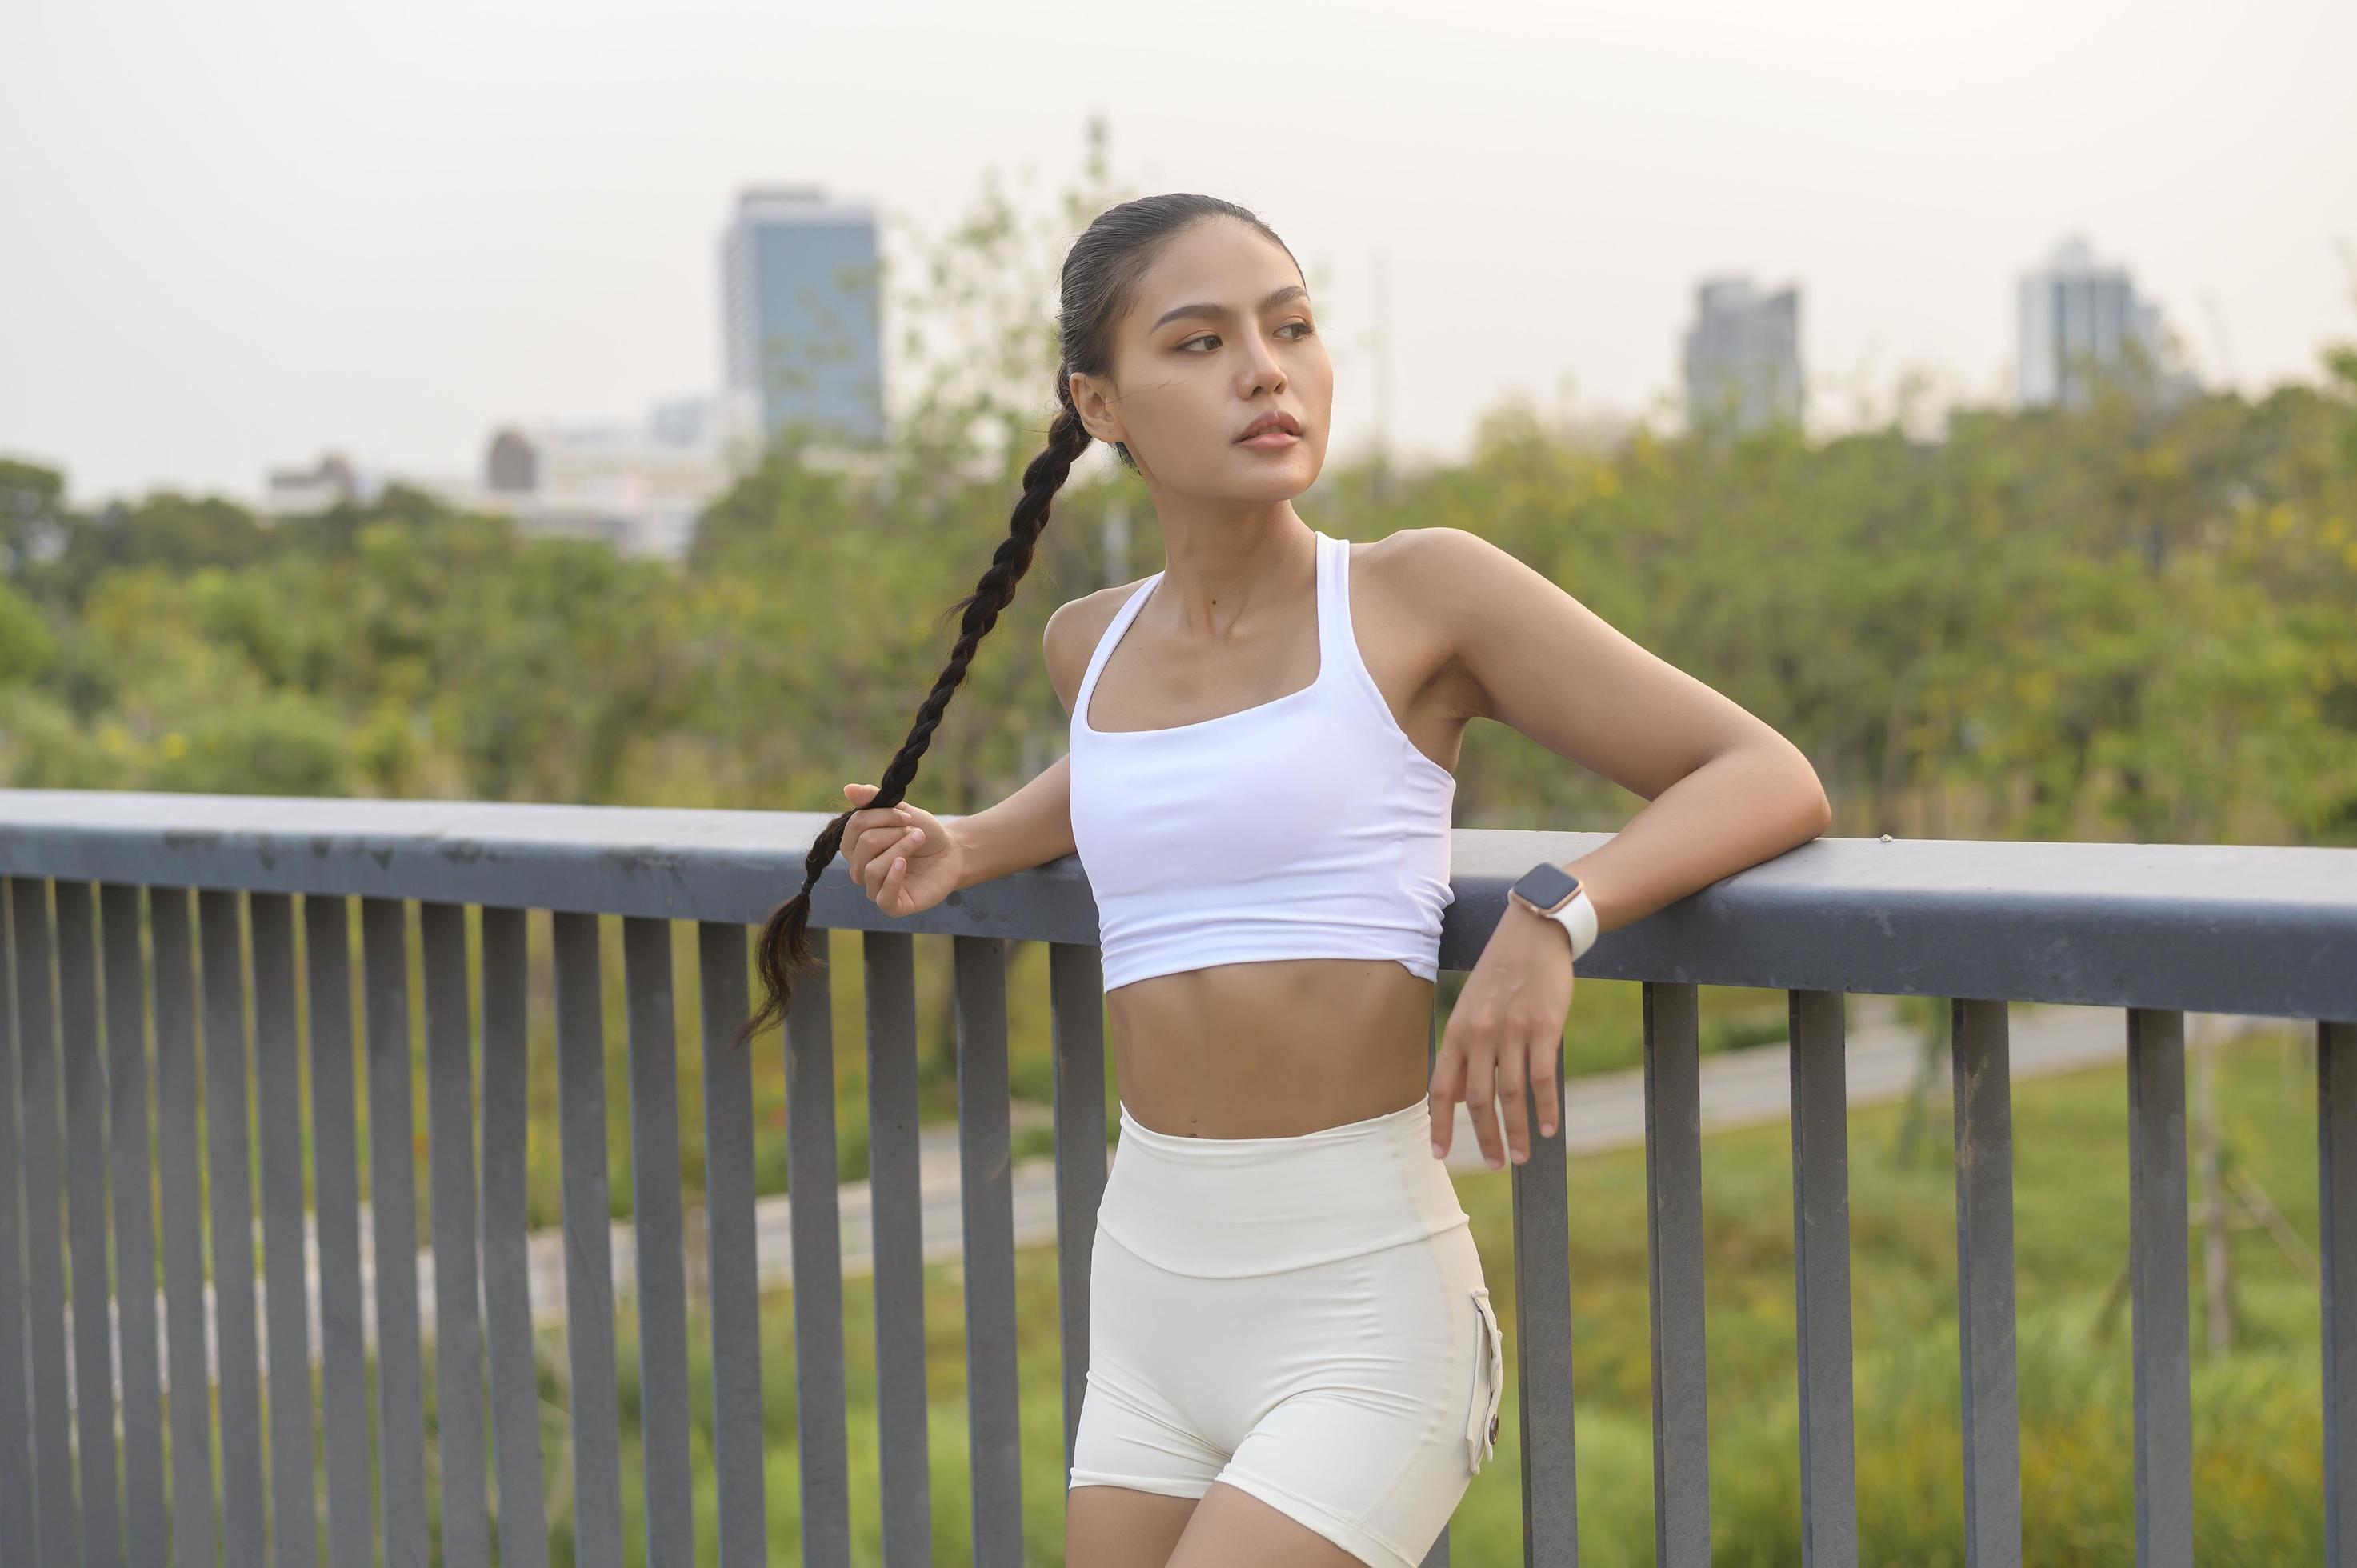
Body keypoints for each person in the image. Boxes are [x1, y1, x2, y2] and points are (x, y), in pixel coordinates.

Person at [741, 194, 1831, 1567]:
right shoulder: (1093, 644)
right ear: (1101, 403)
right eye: (1198, 343)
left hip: (1359, 1302)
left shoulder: (1420, 593)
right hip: (1147, 1285)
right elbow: (1155, 776)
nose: (1266, 369)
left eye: (1293, 327)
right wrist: (975, 842)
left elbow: (1762, 771)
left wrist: (1555, 917)